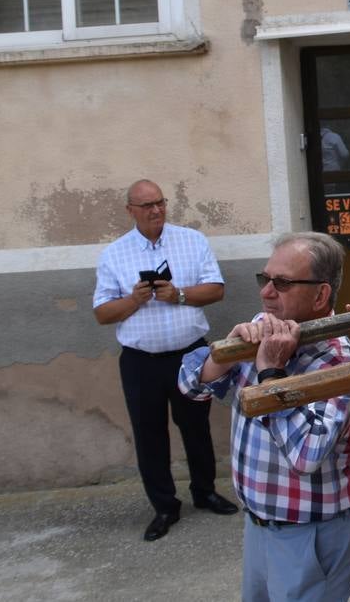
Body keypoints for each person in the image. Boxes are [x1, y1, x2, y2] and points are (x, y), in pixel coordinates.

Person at [178, 232, 350, 602]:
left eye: (281, 283)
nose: (266, 293)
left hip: (311, 533)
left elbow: (306, 456)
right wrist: (223, 356)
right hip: (261, 524)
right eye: (265, 279)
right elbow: (190, 388)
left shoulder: (339, 361)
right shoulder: (264, 326)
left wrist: (270, 374)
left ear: (320, 295)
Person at [93, 178, 236, 542]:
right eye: (146, 206)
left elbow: (216, 289)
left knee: (196, 427)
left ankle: (204, 492)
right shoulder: (115, 254)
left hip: (190, 354)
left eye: (160, 202)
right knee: (149, 433)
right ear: (130, 211)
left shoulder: (192, 240)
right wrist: (134, 300)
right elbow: (102, 313)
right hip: (141, 361)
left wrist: (180, 295)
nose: (156, 210)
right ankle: (164, 506)